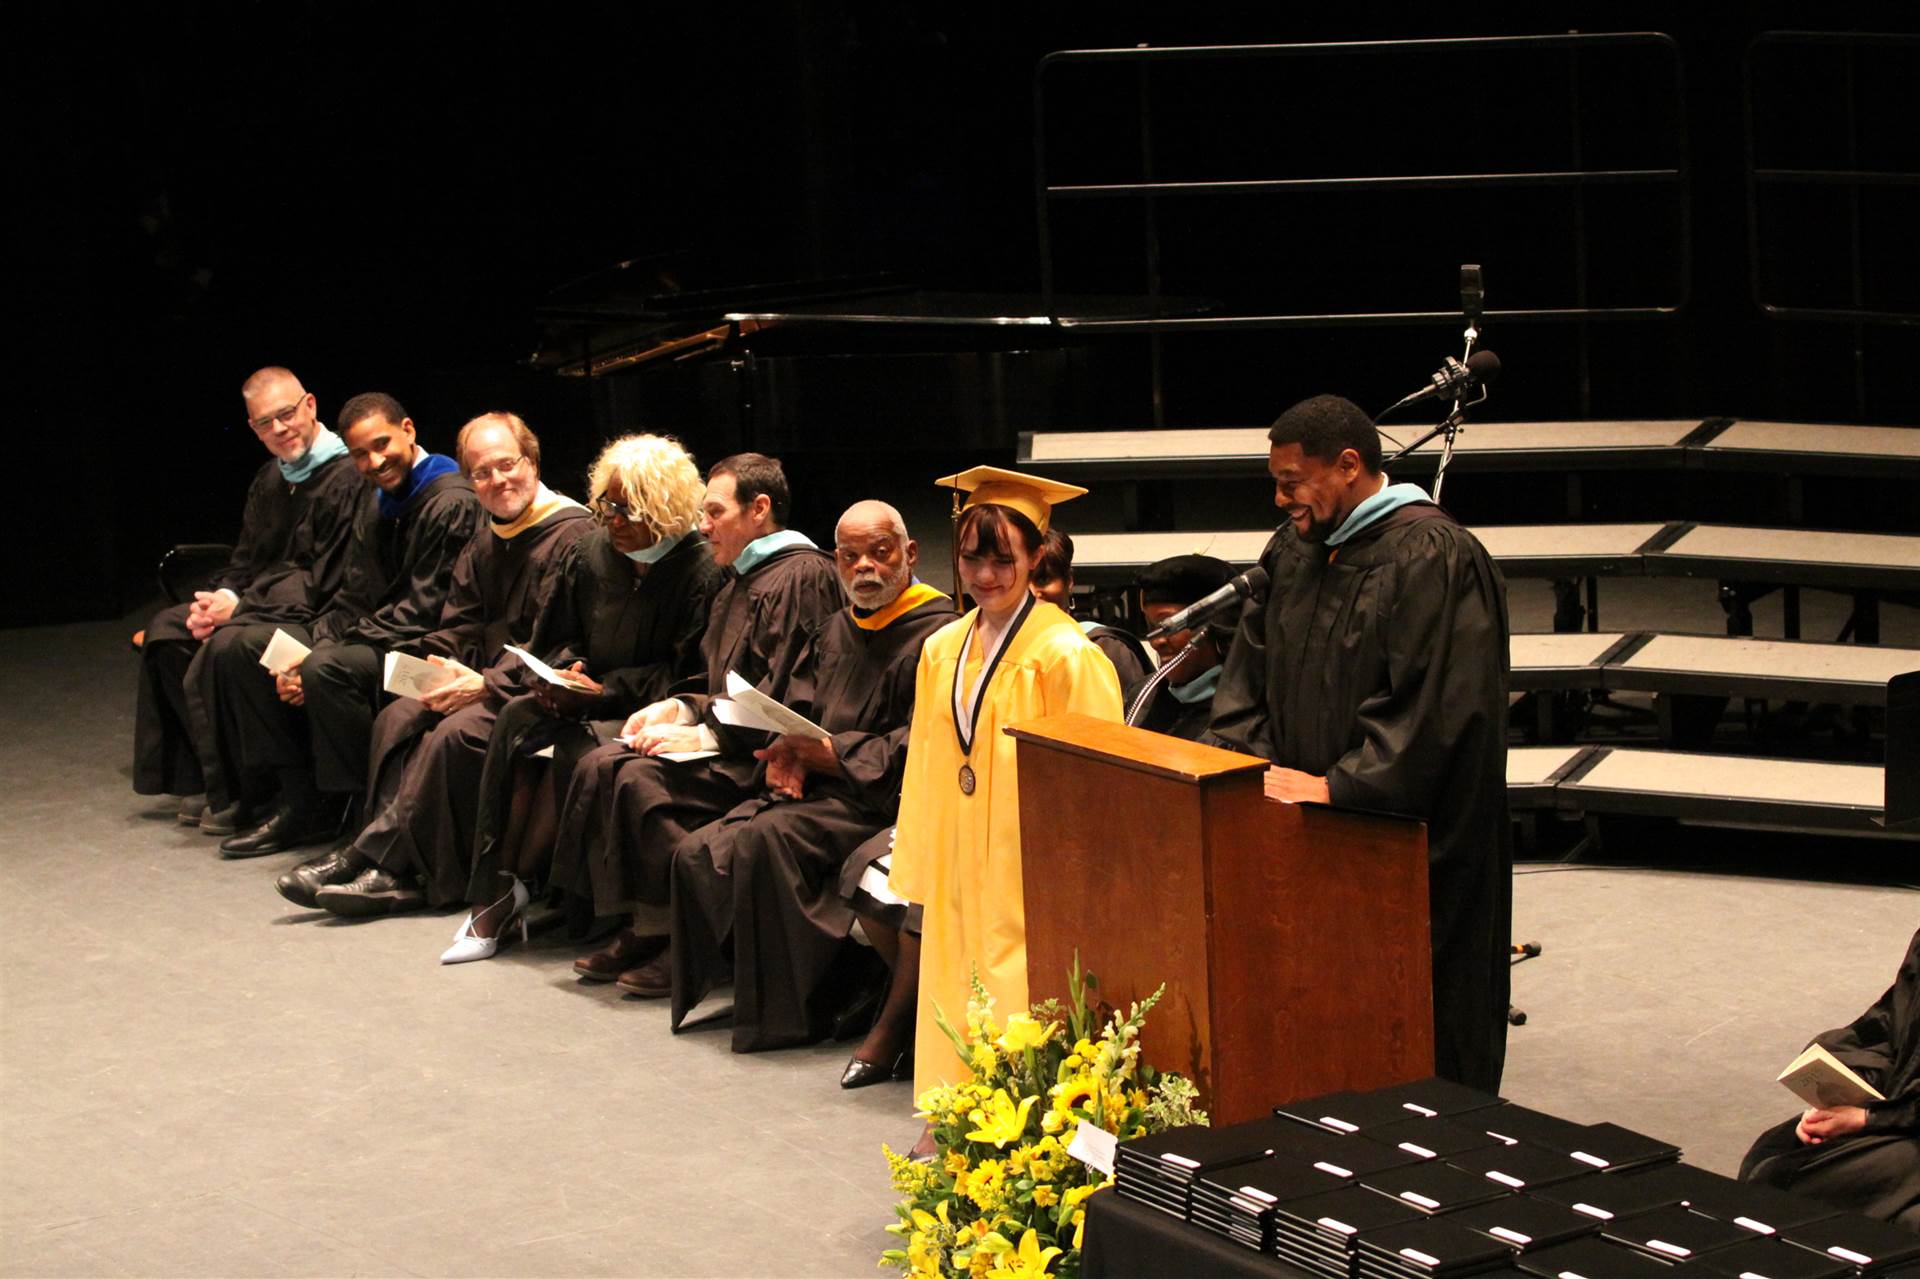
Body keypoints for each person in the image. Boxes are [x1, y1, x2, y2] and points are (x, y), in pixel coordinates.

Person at [1208, 393, 1511, 1093]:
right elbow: (1245, 677)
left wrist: (1340, 788)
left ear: (1348, 465)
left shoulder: (1433, 554)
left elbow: (1436, 708)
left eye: (1292, 480)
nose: (1281, 498)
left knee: (1410, 1023)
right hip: (1298, 825)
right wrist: (1250, 769)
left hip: (1400, 841)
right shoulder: (1293, 550)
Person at [661, 500, 956, 1050]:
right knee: (698, 851)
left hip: (881, 801)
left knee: (766, 840)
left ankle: (808, 1008)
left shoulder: (940, 637)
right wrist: (786, 756)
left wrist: (835, 755)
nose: (864, 567)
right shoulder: (833, 630)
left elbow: (925, 741)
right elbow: (794, 708)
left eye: (880, 553)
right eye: (849, 556)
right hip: (822, 792)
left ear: (910, 553)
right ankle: (766, 991)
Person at [552, 452, 844, 986]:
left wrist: (703, 731)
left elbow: (785, 693)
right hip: (729, 736)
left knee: (640, 780)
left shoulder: (800, 575)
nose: (702, 525)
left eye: (714, 512)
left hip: (763, 753)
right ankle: (648, 922)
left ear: (759, 509)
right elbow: (714, 677)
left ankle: (691, 943)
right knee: (604, 762)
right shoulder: (737, 579)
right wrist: (679, 705)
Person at [887, 466, 1124, 1120]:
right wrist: (920, 857)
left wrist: (1083, 882)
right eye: (972, 558)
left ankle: (1019, 1133)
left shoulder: (1065, 654)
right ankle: (956, 1118)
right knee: (954, 981)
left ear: (1036, 556)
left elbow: (1097, 778)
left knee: (1015, 989)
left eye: (1003, 559)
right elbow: (929, 763)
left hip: (1028, 861)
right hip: (961, 856)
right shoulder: (941, 647)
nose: (986, 575)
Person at [432, 433, 722, 960]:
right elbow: (556, 633)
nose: (609, 520)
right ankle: (499, 882)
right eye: (605, 505)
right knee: (518, 719)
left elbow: (692, 675)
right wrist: (566, 670)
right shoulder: (592, 552)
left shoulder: (702, 571)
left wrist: (607, 690)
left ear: (662, 509)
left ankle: (570, 904)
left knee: (578, 748)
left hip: (642, 708)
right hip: (583, 692)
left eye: (624, 509)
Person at [303, 412, 594, 916]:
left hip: (535, 691)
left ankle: (383, 863)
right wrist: (439, 662)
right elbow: (460, 621)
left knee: (454, 734)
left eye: (507, 465)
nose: (498, 480)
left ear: (532, 461)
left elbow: (567, 644)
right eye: (481, 473)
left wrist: (486, 684)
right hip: (478, 679)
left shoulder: (573, 537)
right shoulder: (486, 540)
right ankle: (394, 867)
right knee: (398, 714)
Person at [212, 392, 480, 856]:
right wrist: (311, 646)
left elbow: (421, 611)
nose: (375, 462)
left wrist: (320, 655)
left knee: (327, 670)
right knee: (251, 648)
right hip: (377, 638)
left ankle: (368, 817)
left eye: (382, 445)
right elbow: (354, 592)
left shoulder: (449, 500)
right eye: (360, 454)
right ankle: (301, 798)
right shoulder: (376, 501)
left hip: (430, 658)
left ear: (409, 430)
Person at [132, 367, 362, 832]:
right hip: (261, 604)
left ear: (311, 406)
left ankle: (275, 791)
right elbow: (246, 558)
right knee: (168, 631)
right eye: (264, 423)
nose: (279, 429)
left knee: (233, 644)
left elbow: (322, 580)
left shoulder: (348, 477)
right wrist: (221, 595)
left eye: (286, 414)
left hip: (319, 614)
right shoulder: (270, 479)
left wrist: (240, 609)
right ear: (253, 429)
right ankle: (221, 780)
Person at [1740, 926, 1919, 1230]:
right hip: (1901, 1110)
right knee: (1771, 1151)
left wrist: (1867, 1119)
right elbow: (1890, 1023)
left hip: (1907, 1125)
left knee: (1787, 1179)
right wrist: (1847, 1089)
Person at [1029, 528, 1155, 709]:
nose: (1033, 592)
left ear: (1069, 581)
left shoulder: (1106, 648)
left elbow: (1139, 725)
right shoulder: (1003, 650)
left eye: (1043, 579)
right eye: (1022, 581)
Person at [1130, 554, 1237, 739]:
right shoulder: (1142, 697)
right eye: (1151, 627)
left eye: (1168, 626)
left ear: (1215, 624)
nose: (1157, 642)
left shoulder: (1246, 711)